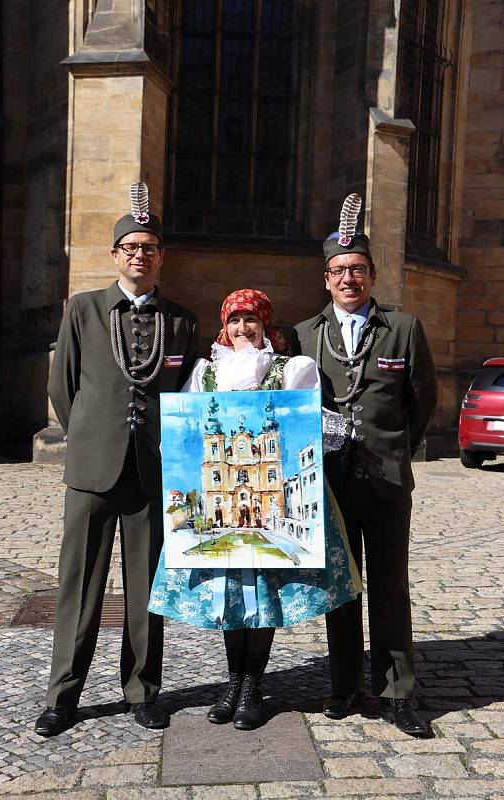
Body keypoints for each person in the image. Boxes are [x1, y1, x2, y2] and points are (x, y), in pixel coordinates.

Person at [148, 288, 361, 731]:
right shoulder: (207, 373)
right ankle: (233, 683)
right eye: (234, 321)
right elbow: (181, 434)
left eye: (252, 321)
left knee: (263, 596)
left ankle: (253, 687)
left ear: (267, 327)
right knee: (230, 596)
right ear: (223, 327)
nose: (243, 329)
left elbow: (314, 430)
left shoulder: (291, 369)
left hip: (266, 499)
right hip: (221, 496)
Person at [34, 183, 198, 736]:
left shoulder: (181, 321)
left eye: (148, 247)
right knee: (79, 585)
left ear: (160, 256)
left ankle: (142, 690)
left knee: (147, 588)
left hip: (152, 472)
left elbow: (188, 394)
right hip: (93, 470)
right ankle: (63, 696)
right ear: (115, 255)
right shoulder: (82, 310)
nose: (139, 255)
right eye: (130, 246)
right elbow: (63, 388)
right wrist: (92, 434)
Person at [291, 194, 438, 738]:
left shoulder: (403, 329)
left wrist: (396, 447)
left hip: (386, 478)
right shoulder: (304, 334)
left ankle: (397, 691)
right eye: (338, 271)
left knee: (391, 586)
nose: (348, 278)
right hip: (328, 480)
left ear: (372, 275)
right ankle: (345, 685)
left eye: (357, 269)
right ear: (325, 279)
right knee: (341, 583)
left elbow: (423, 402)